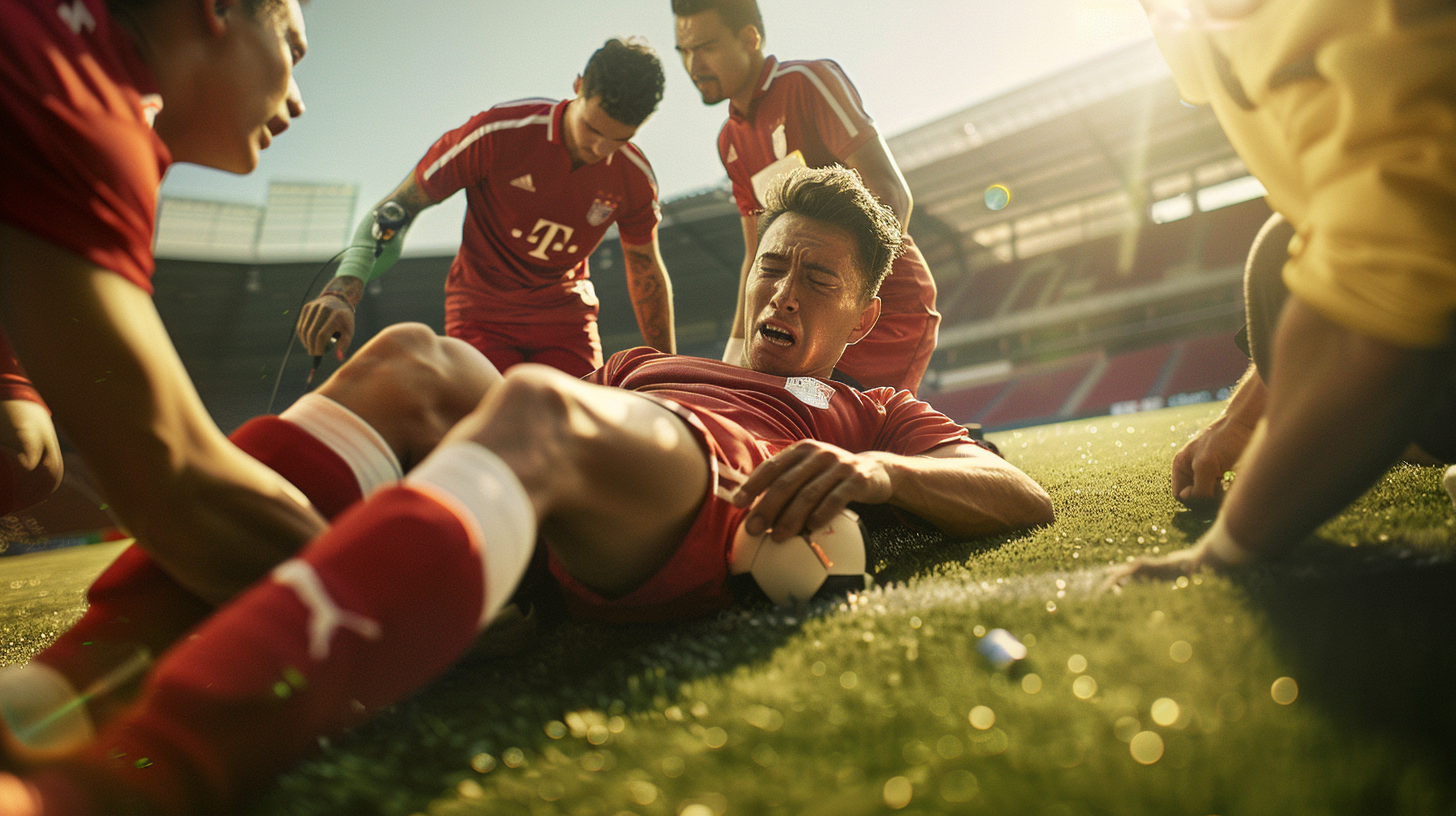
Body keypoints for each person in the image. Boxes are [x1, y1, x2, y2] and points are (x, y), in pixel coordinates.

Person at [0, 167, 1053, 814]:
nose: (780, 289)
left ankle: (137, 778)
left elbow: (1016, 492)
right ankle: (49, 693)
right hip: (599, 465)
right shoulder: (639, 367)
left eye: (815, 278)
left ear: (864, 314)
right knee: (415, 355)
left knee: (541, 410)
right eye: (772, 264)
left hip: (716, 492)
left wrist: (877, 471)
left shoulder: (859, 407)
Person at [0, 0, 330, 606]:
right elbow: (183, 492)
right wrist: (391, 590)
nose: (299, 100)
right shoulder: (90, 106)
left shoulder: (61, 49)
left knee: (24, 453)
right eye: (294, 51)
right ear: (218, 10)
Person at [1116, 0, 1456, 580]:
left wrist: (1229, 547)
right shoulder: (1205, 24)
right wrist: (1246, 419)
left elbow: (1386, 274)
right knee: (1281, 256)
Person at [295, 38, 676, 379]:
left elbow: (645, 268)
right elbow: (399, 206)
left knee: (582, 430)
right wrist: (343, 290)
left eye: (620, 138)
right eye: (592, 129)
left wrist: (669, 369)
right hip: (482, 311)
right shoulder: (497, 134)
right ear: (577, 88)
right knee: (486, 427)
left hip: (565, 316)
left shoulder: (635, 178)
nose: (601, 149)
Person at [671, 0, 941, 395]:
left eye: (706, 47)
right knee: (777, 429)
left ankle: (970, 447)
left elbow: (891, 194)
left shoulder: (806, 82)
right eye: (685, 52)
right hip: (799, 313)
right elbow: (756, 255)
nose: (694, 65)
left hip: (884, 307)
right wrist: (735, 351)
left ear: (750, 38)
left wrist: (844, 305)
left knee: (846, 435)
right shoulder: (729, 140)